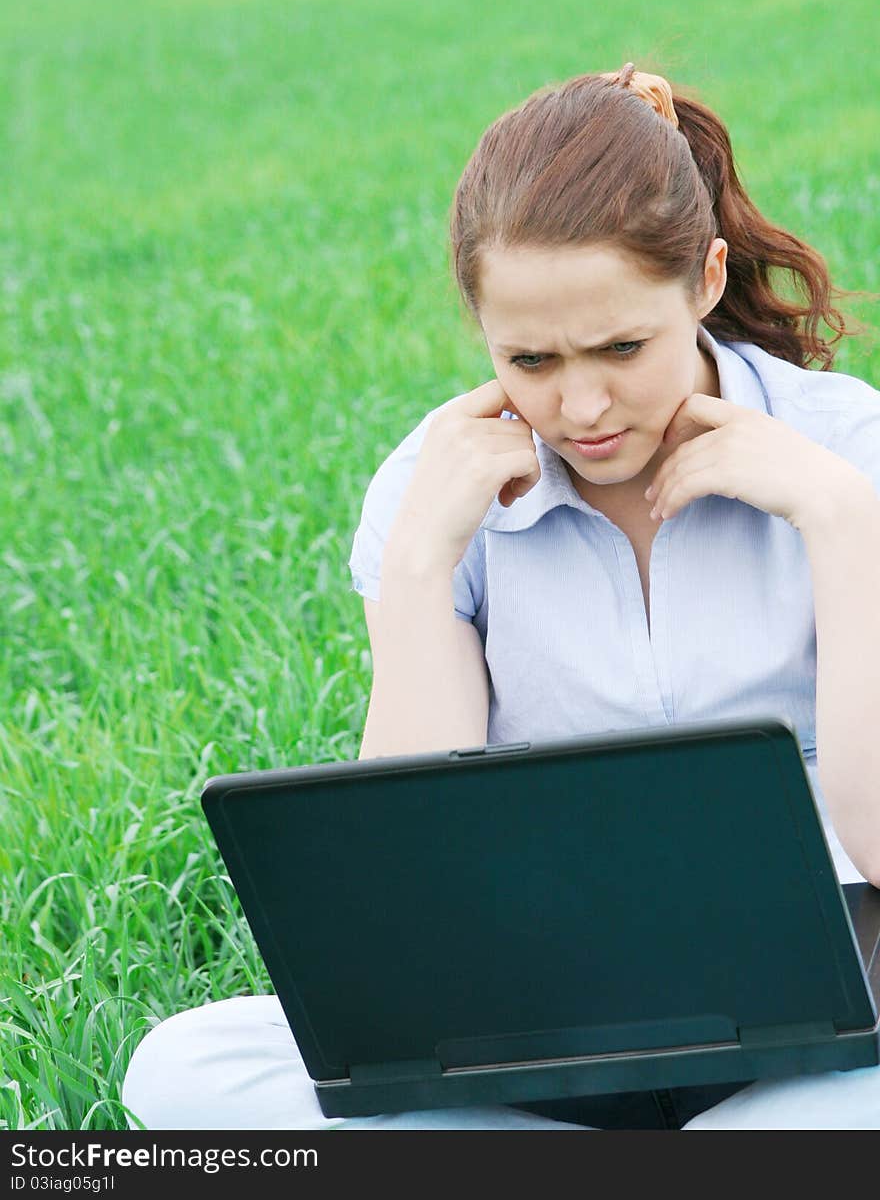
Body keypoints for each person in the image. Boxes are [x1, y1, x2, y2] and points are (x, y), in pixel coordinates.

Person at [122, 63, 880, 1130]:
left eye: (623, 346)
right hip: (538, 1043)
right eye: (528, 358)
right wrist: (422, 563)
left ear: (705, 280)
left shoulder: (849, 455)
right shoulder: (434, 490)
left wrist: (846, 528)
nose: (580, 405)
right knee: (182, 1065)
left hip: (819, 1053)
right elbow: (409, 890)